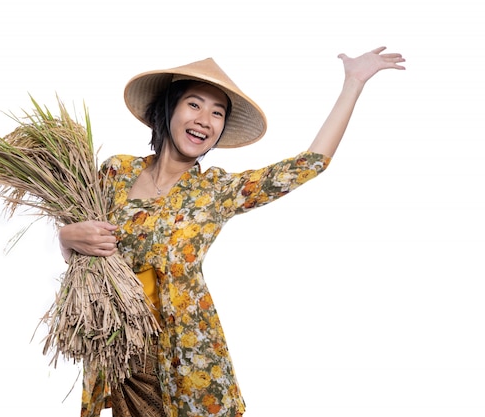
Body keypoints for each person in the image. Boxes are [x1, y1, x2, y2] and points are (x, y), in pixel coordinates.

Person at [58, 46, 406, 417]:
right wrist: (65, 237)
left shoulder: (216, 191)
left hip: (184, 354)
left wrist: (353, 83)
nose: (205, 120)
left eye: (217, 113)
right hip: (118, 351)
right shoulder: (115, 172)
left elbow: (310, 164)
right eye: (194, 105)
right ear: (169, 108)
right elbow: (85, 260)